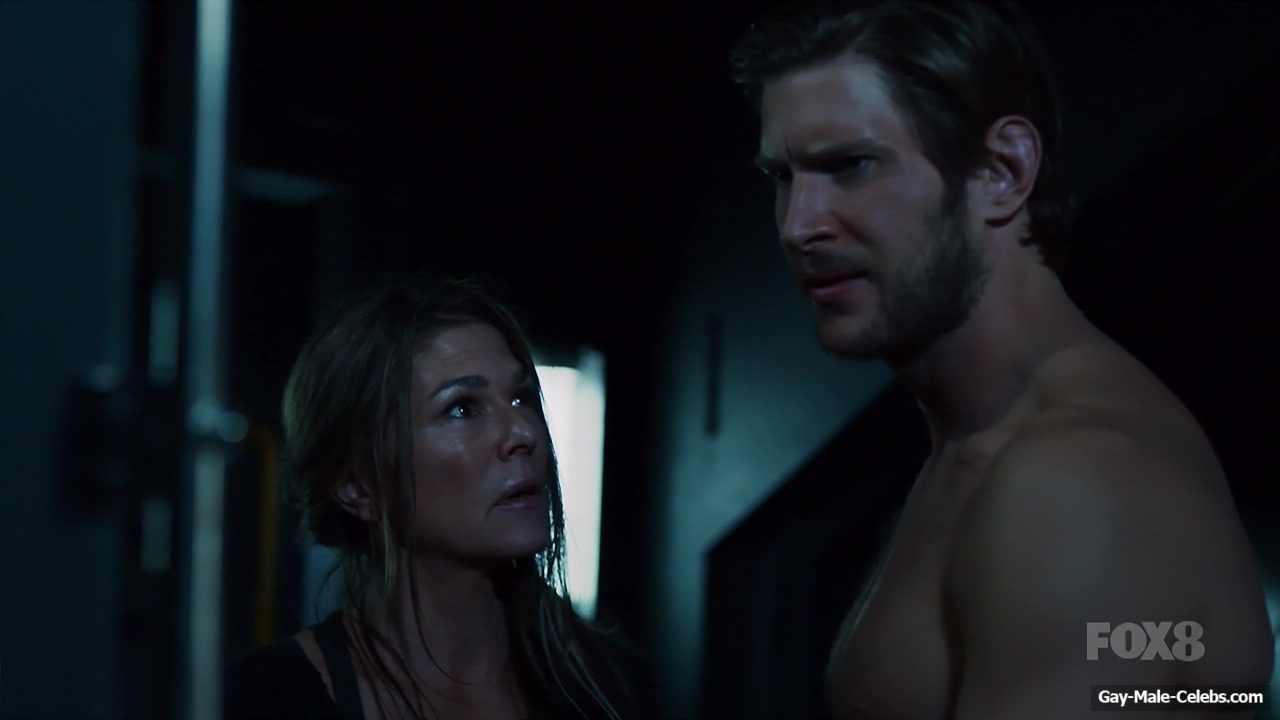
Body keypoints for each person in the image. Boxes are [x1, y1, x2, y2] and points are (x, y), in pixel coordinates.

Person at [729, 1, 1274, 718]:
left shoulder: (1078, 480)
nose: (799, 226)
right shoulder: (977, 453)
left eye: (850, 165)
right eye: (783, 178)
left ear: (1003, 170)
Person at [223, 277, 633, 719]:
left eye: (521, 398)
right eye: (462, 408)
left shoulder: (608, 684)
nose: (523, 432)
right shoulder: (263, 700)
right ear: (359, 486)